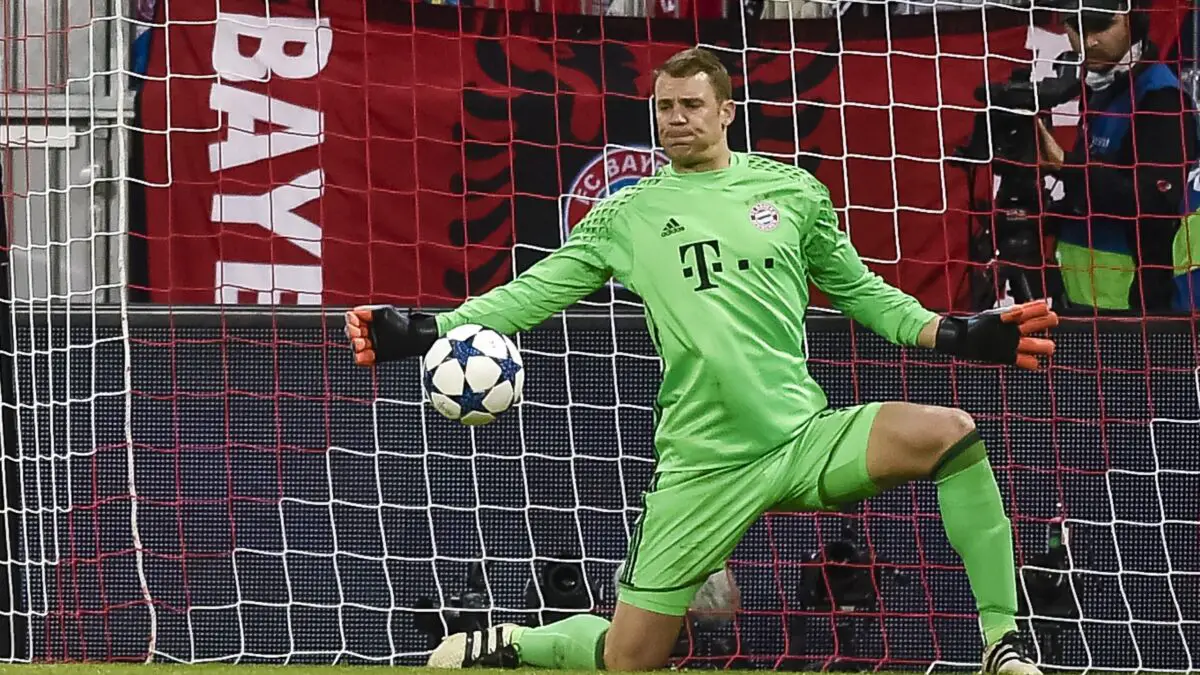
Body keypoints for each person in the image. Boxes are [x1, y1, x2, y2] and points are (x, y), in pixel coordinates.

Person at [345, 48, 1059, 673]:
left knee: (951, 434)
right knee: (629, 657)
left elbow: (862, 293)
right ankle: (514, 641)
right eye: (664, 107)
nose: (676, 118)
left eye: (691, 105)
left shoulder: (792, 192)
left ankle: (1002, 641)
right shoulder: (629, 213)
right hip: (702, 464)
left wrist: (957, 334)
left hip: (801, 437)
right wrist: (429, 329)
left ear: (726, 112)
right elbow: (535, 292)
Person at [1036, 0, 1199, 313]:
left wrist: (1067, 166)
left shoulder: (1161, 99)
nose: (1089, 42)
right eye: (1076, 28)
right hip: (1087, 298)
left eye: (1101, 26)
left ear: (1134, 20)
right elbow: (1101, 189)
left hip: (1137, 307)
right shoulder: (1101, 87)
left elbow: (1152, 203)